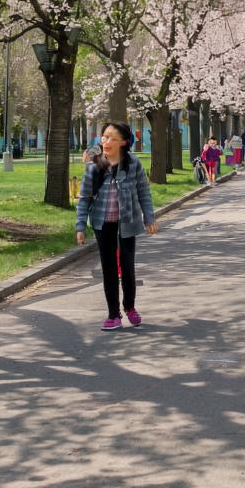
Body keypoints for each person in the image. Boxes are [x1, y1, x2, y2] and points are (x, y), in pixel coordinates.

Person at [75, 121, 157, 331]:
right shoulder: (94, 166)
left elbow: (143, 193)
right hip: (103, 225)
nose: (106, 141)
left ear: (123, 142)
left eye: (111, 137)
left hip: (127, 223)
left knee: (127, 269)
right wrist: (80, 226)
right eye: (104, 137)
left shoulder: (133, 164)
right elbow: (84, 198)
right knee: (109, 270)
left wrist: (149, 218)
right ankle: (113, 314)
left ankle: (129, 307)